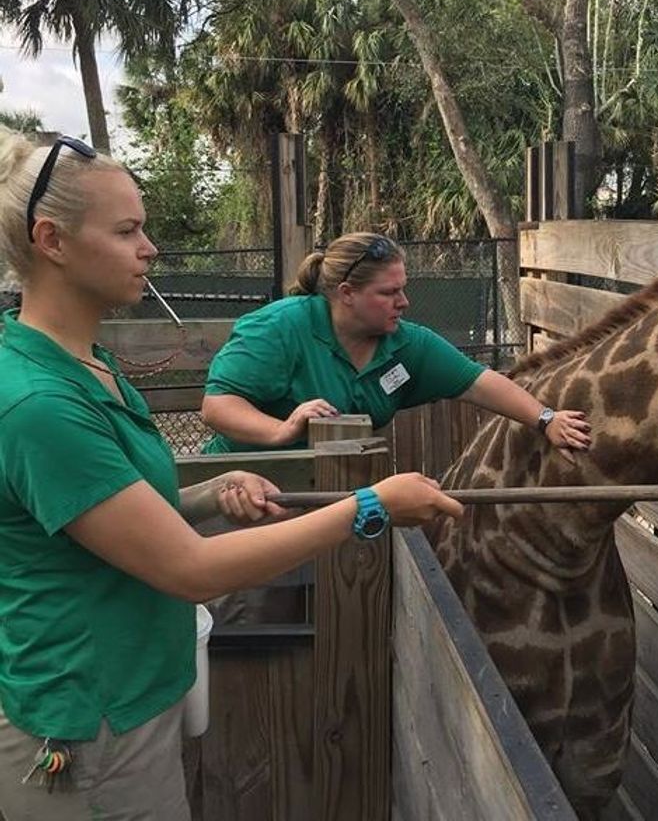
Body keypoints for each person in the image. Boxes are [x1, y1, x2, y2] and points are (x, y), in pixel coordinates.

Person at [0, 131, 463, 821]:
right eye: (128, 230)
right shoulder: (40, 403)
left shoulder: (89, 364)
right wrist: (370, 506)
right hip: (84, 732)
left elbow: (103, 522)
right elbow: (190, 571)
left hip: (130, 703)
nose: (150, 248)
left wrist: (211, 493)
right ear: (52, 240)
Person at [200, 232, 592, 458]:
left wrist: (546, 419)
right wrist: (283, 430)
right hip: (245, 490)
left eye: (402, 289)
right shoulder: (279, 328)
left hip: (333, 498)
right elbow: (218, 407)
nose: (403, 303)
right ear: (347, 293)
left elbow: (478, 382)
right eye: (389, 293)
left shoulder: (405, 345)